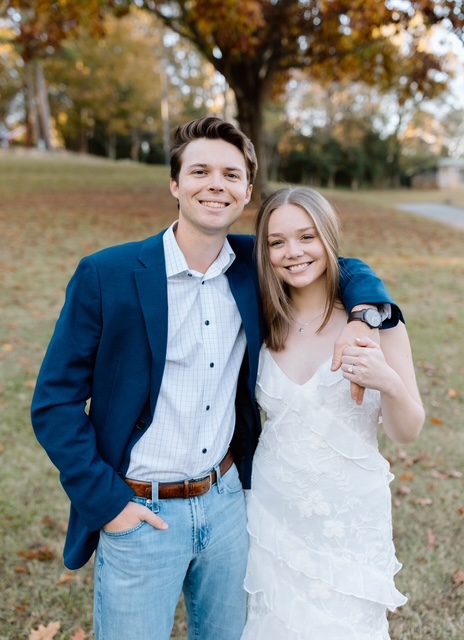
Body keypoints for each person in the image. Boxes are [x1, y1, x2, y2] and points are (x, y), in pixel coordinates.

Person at [31, 118, 401, 640]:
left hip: (229, 508)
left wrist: (363, 317)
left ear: (247, 191)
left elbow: (345, 265)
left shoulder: (257, 266)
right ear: (175, 184)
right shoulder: (106, 274)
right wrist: (108, 504)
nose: (216, 184)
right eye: (200, 170)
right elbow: (53, 404)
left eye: (231, 174)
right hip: (140, 508)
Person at [241, 186, 425, 640]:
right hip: (272, 510)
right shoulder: (260, 319)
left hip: (349, 517)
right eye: (277, 242)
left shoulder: (377, 322)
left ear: (329, 238)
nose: (294, 252)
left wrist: (389, 382)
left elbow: (408, 431)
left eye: (307, 237)